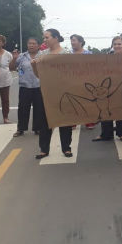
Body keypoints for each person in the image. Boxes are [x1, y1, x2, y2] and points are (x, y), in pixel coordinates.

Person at [32, 29, 73, 159]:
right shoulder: (42, 54)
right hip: (46, 91)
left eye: (47, 37)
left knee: (64, 120)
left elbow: (71, 73)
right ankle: (44, 149)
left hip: (62, 91)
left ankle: (66, 148)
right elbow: (38, 75)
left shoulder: (66, 53)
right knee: (44, 121)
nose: (44, 40)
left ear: (56, 38)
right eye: (44, 38)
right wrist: (33, 65)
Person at [92, 37, 122, 142]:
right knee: (106, 110)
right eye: (115, 44)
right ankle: (106, 134)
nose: (117, 46)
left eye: (119, 44)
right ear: (112, 45)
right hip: (109, 89)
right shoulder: (108, 57)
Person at [10, 37, 42, 137]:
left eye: (34, 43)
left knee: (39, 108)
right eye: (29, 43)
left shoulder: (43, 56)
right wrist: (14, 58)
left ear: (38, 45)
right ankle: (21, 129)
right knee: (23, 108)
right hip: (25, 86)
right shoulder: (22, 56)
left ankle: (38, 128)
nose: (31, 45)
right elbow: (12, 68)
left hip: (39, 86)